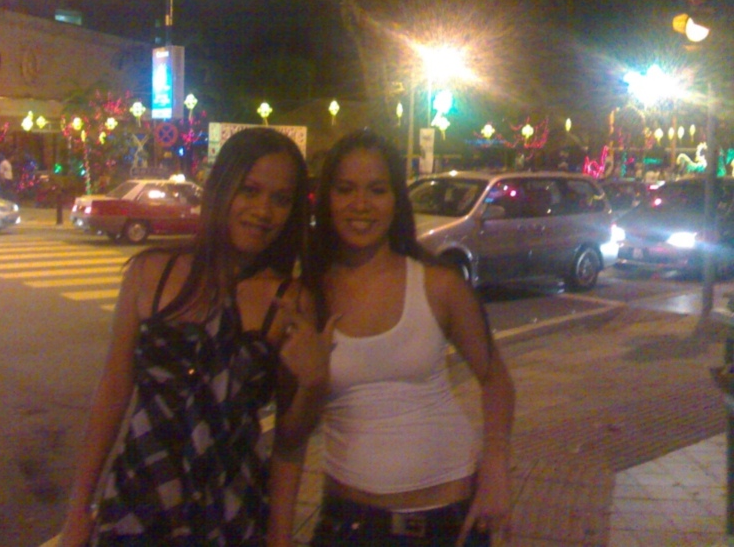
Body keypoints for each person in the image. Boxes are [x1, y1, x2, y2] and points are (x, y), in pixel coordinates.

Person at [59, 128, 333, 547]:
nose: (263, 211)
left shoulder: (290, 302)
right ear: (222, 187)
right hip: (139, 500)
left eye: (281, 199)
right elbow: (113, 391)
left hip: (231, 511)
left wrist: (314, 383)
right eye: (250, 190)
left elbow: (289, 442)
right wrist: (79, 509)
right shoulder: (150, 272)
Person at [304, 130, 516, 547]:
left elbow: (496, 380)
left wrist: (496, 466)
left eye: (377, 190)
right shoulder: (310, 294)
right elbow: (295, 430)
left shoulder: (438, 284)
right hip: (349, 524)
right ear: (326, 198)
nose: (361, 204)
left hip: (446, 521)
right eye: (345, 189)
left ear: (396, 200)